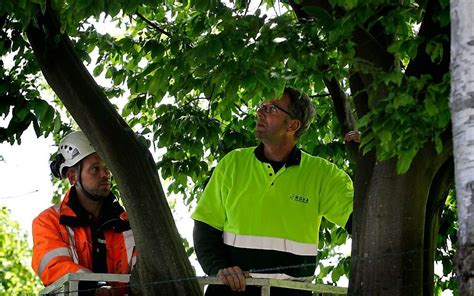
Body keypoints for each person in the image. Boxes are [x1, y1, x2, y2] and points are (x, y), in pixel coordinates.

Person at [192, 87, 357, 296]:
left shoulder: (324, 175)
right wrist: (218, 268)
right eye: (261, 106)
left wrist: (374, 160)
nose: (260, 112)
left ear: (293, 125)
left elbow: (362, 222)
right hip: (231, 291)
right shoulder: (233, 163)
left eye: (271, 109)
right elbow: (205, 226)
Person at [31, 131, 136, 296]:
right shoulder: (48, 222)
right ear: (72, 177)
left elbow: (147, 268)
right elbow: (54, 267)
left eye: (106, 167)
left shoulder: (128, 222)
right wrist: (94, 288)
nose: (105, 174)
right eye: (95, 169)